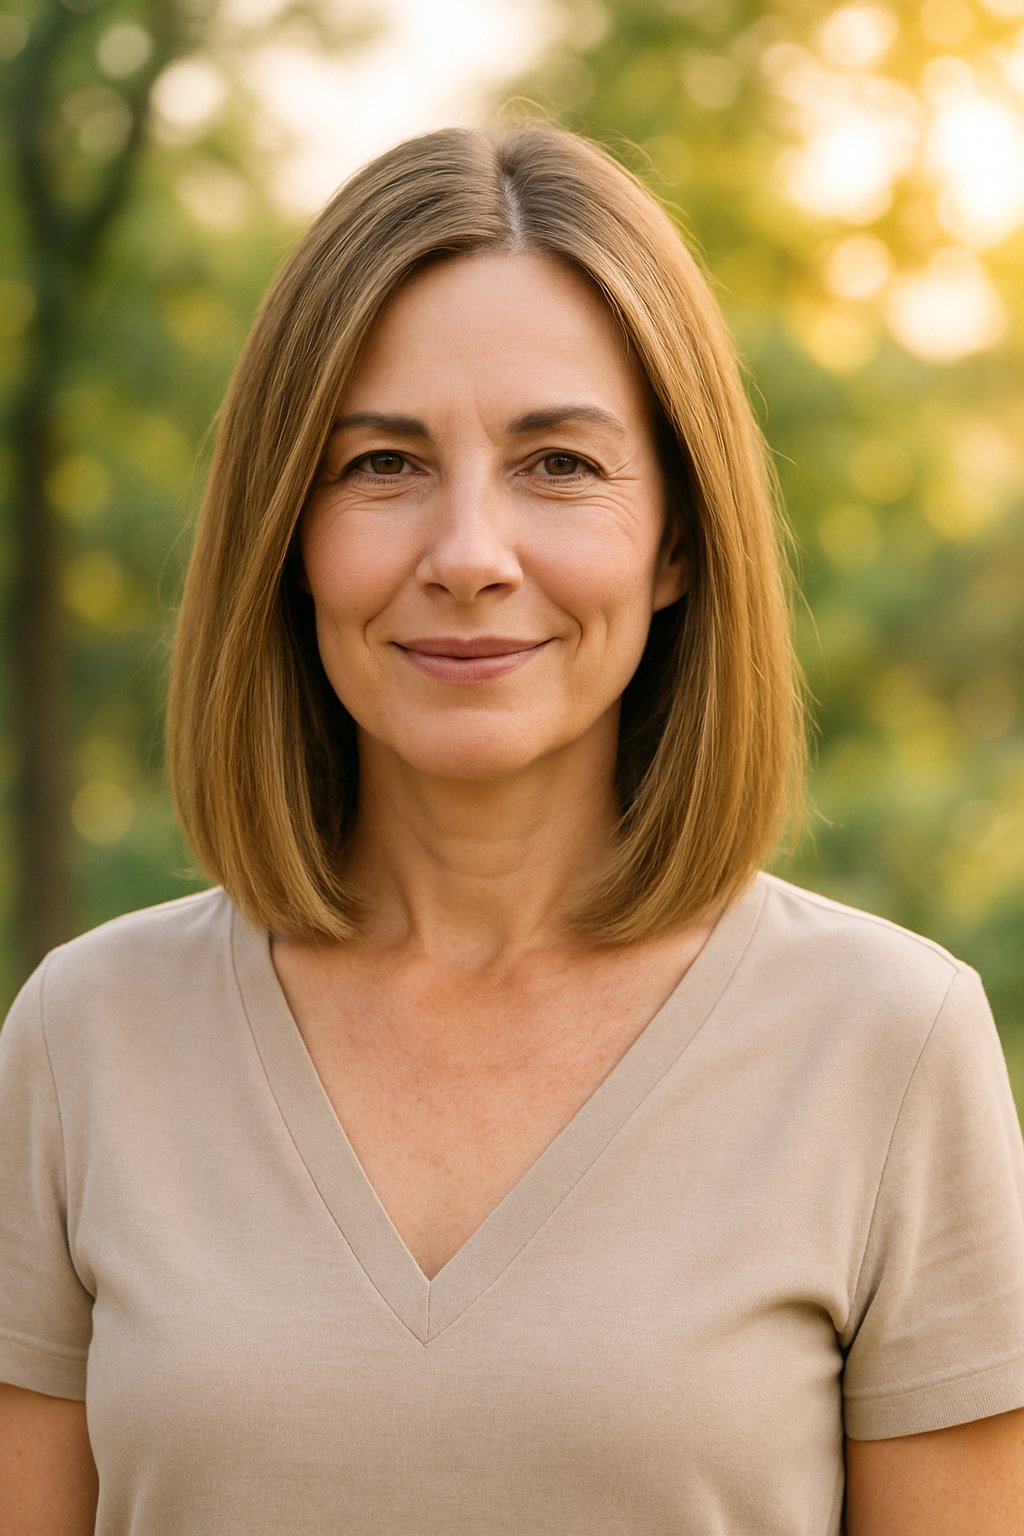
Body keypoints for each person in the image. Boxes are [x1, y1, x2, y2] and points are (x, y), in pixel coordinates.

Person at [1, 116, 1022, 1536]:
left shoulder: (891, 1046)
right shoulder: (83, 1038)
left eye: (558, 463)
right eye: (380, 465)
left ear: (676, 538)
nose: (469, 554)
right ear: (288, 535)